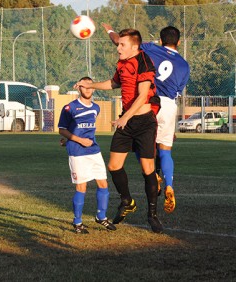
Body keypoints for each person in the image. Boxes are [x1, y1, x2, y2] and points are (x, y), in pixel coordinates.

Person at [75, 29, 163, 233]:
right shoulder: (123, 63)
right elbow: (114, 83)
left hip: (144, 122)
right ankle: (127, 201)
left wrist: (125, 117)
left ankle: (152, 215)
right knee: (114, 166)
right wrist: (90, 85)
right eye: (118, 44)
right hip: (127, 122)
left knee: (147, 169)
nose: (118, 48)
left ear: (134, 47)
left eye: (122, 45)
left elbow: (143, 97)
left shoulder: (144, 62)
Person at [103, 24, 190, 214]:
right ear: (179, 42)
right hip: (168, 106)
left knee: (141, 142)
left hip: (149, 102)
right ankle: (169, 184)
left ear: (160, 40)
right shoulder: (184, 64)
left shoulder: (150, 49)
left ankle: (154, 177)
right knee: (165, 151)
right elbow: (178, 91)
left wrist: (110, 31)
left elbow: (122, 42)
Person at [58, 77, 117, 234]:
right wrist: (76, 140)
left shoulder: (96, 108)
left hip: (93, 150)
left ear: (94, 88)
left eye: (90, 86)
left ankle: (101, 217)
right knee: (81, 187)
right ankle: (77, 222)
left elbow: (81, 129)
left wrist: (71, 139)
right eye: (84, 87)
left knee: (103, 183)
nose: (88, 89)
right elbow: (62, 129)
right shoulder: (69, 108)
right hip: (77, 152)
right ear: (79, 88)